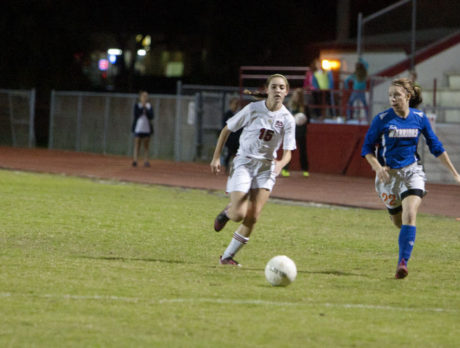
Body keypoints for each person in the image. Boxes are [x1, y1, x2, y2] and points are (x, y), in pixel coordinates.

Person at [361, 77, 460, 279]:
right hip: (388, 177)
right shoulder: (381, 120)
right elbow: (367, 149)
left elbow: (436, 147)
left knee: (410, 214)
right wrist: (377, 167)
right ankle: (399, 224)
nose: (393, 99)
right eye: (390, 96)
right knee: (399, 223)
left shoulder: (419, 118)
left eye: (397, 95)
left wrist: (455, 173)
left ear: (408, 96)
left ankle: (402, 263)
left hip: (412, 172)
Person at [210, 74, 296, 266]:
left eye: (282, 87)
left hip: (266, 168)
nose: (278, 91)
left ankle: (227, 257)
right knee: (238, 214)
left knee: (253, 216)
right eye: (274, 87)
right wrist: (216, 157)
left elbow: (288, 153)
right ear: (267, 90)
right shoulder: (253, 109)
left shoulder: (288, 119)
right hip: (244, 163)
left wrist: (280, 165)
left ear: (286, 91)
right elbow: (226, 130)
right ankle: (226, 213)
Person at [281, 88, 310, 177]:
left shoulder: (305, 107)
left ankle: (305, 170)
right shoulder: (290, 106)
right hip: (291, 132)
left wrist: (302, 120)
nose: (296, 97)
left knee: (303, 151)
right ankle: (284, 169)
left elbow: (308, 120)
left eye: (298, 96)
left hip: (301, 131)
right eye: (296, 95)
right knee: (289, 150)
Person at [131, 91, 154, 167]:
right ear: (140, 97)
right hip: (138, 128)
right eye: (143, 96)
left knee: (146, 145)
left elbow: (151, 116)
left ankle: (146, 161)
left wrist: (146, 109)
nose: (145, 98)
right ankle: (135, 160)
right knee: (137, 144)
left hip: (146, 128)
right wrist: (142, 108)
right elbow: (136, 114)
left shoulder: (149, 106)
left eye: (146, 96)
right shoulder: (137, 105)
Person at [221, 97, 241, 174]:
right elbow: (225, 127)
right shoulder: (227, 114)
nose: (236, 106)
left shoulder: (239, 114)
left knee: (237, 154)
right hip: (229, 138)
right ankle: (227, 167)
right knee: (229, 154)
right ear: (230, 105)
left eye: (237, 104)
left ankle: (235, 168)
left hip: (237, 138)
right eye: (234, 104)